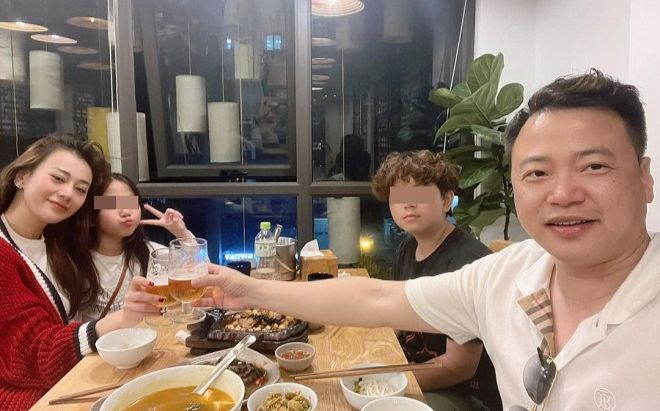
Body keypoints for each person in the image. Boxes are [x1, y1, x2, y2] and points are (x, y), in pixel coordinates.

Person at [192, 69, 658, 410]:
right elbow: (375, 297)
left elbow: (457, 366)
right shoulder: (506, 275)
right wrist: (247, 289)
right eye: (538, 173)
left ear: (645, 178)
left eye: (594, 166)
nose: (563, 194)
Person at [0, 135, 161, 409]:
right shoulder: (5, 255)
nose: (67, 193)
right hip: (29, 400)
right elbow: (33, 354)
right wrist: (122, 317)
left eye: (80, 189)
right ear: (22, 176)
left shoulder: (57, 245)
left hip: (66, 382)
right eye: (58, 178)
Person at [372, 150, 500, 411]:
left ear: (446, 200)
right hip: (415, 369)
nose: (408, 204)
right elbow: (397, 317)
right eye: (399, 196)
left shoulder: (467, 262)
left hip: (467, 393)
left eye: (419, 194)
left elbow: (459, 367)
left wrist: (390, 380)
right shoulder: (407, 247)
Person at [82, 173, 193, 321]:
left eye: (130, 203)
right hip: (97, 336)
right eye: (111, 204)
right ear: (91, 216)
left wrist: (181, 232)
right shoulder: (76, 262)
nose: (126, 212)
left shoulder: (151, 253)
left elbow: (200, 273)